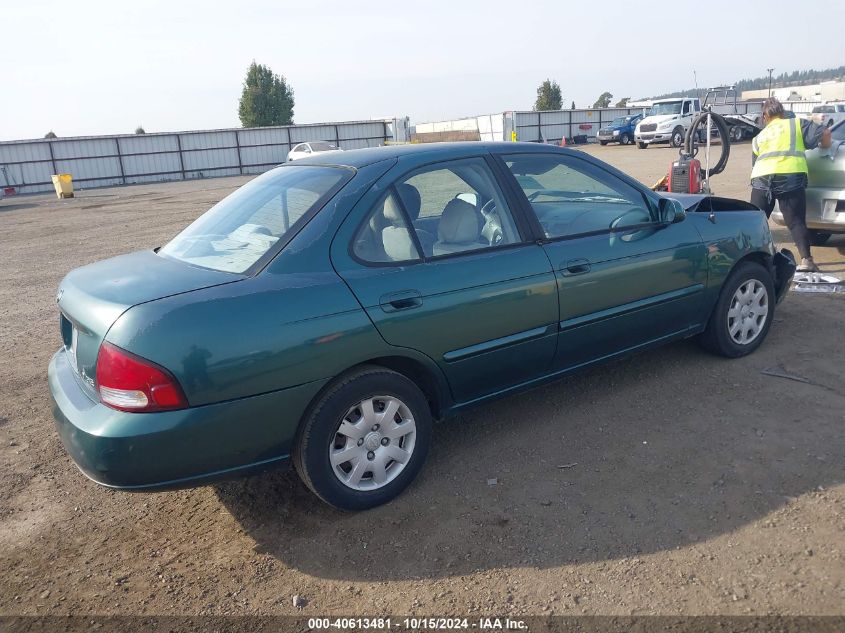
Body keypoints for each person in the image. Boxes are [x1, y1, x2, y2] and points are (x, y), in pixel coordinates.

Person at [750, 97, 831, 272]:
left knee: (755, 222)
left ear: (765, 117)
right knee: (795, 222)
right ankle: (807, 261)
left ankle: (753, 262)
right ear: (783, 113)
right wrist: (826, 148)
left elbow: (755, 162)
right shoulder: (795, 125)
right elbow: (825, 134)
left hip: (761, 180)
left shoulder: (758, 137)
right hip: (790, 178)